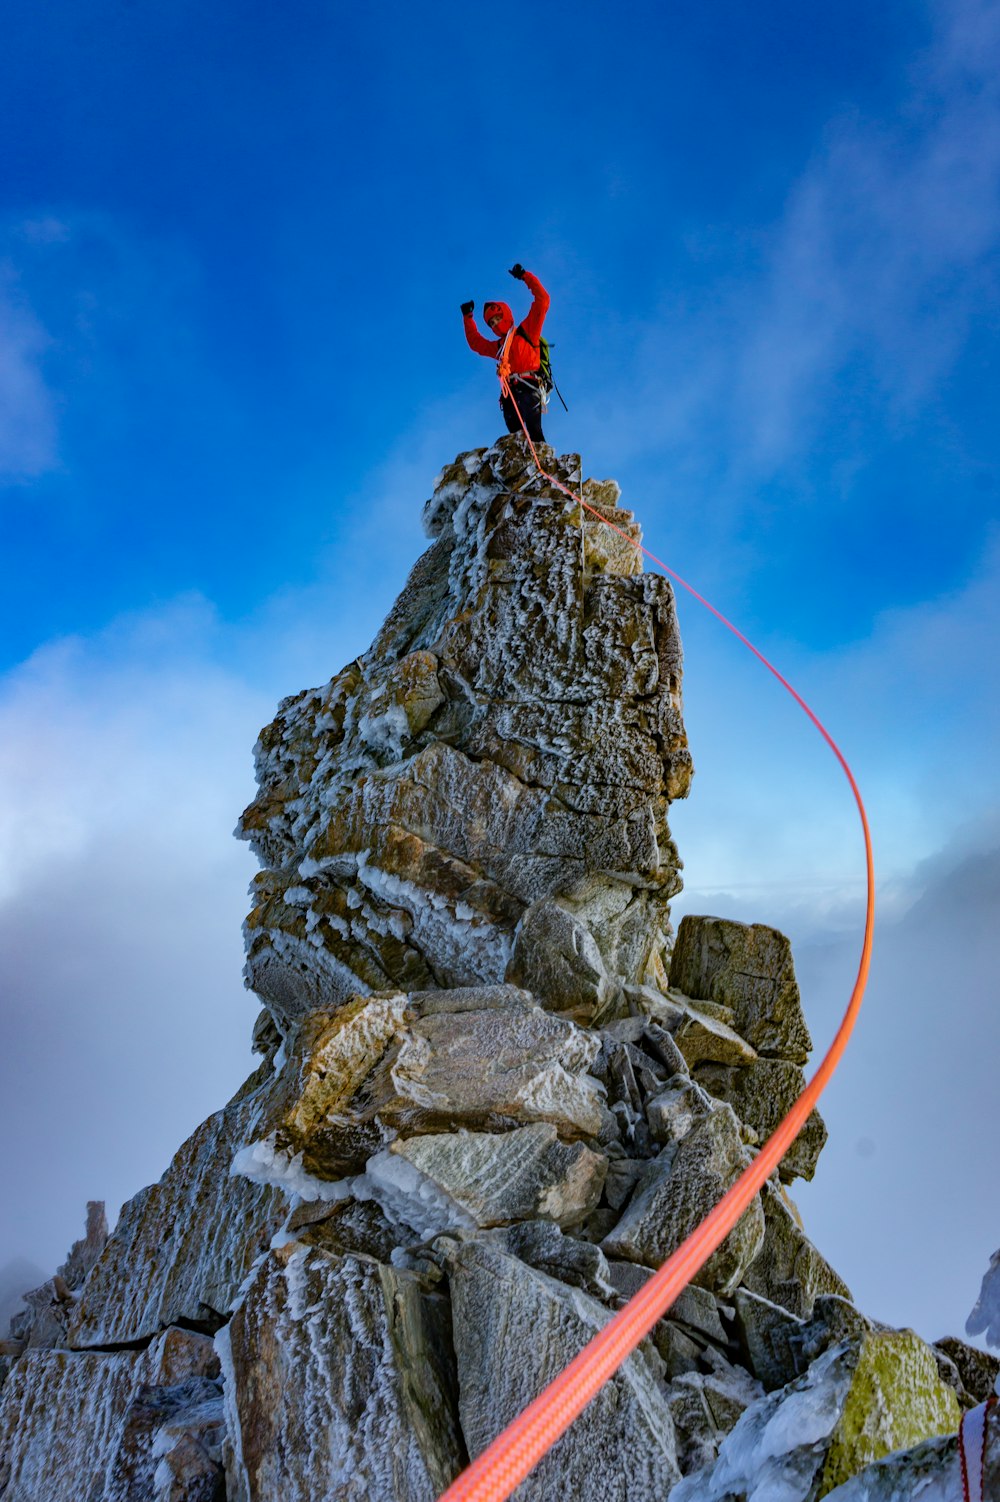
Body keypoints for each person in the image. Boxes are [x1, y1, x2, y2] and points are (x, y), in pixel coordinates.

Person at [461, 264, 550, 443]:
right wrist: (468, 318)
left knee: (535, 433)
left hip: (529, 385)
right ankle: (522, 465)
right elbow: (476, 344)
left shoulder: (528, 330)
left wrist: (525, 276)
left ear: (506, 314)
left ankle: (542, 463)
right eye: (491, 323)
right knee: (515, 438)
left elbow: (543, 299)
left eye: (497, 318)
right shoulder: (499, 347)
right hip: (509, 393)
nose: (495, 324)